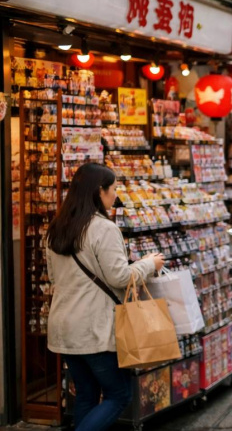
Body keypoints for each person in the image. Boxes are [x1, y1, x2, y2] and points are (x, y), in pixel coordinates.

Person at [46, 163, 165, 431]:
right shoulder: (104, 229)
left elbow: (54, 279)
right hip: (95, 329)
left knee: (87, 394)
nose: (115, 196)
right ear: (99, 191)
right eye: (113, 189)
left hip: (65, 327)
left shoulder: (57, 227)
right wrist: (149, 264)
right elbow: (120, 278)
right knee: (119, 395)